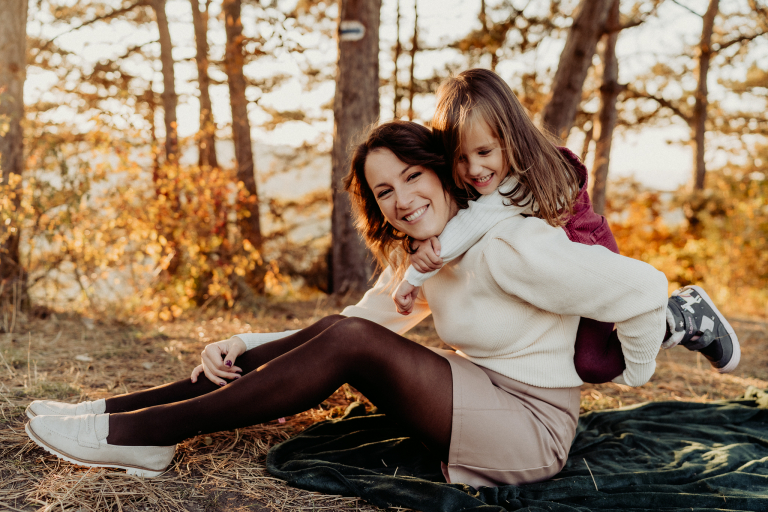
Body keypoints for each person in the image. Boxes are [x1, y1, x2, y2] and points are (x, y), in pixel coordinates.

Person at [22, 121, 707, 489]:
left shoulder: (510, 244)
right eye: (385, 192)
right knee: (346, 330)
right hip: (483, 393)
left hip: (530, 428)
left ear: (446, 174)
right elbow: (352, 324)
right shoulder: (428, 258)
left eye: (413, 176)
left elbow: (642, 285)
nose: (403, 199)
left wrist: (638, 367)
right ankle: (118, 413)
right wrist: (246, 343)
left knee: (352, 342)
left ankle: (145, 438)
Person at [391, 68, 739, 382]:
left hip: (586, 252)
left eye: (485, 152)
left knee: (592, 363)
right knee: (583, 361)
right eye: (461, 158)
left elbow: (477, 220)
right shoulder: (488, 182)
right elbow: (466, 218)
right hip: (553, 274)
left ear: (510, 138)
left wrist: (415, 276)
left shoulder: (525, 178)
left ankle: (680, 315)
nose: (474, 170)